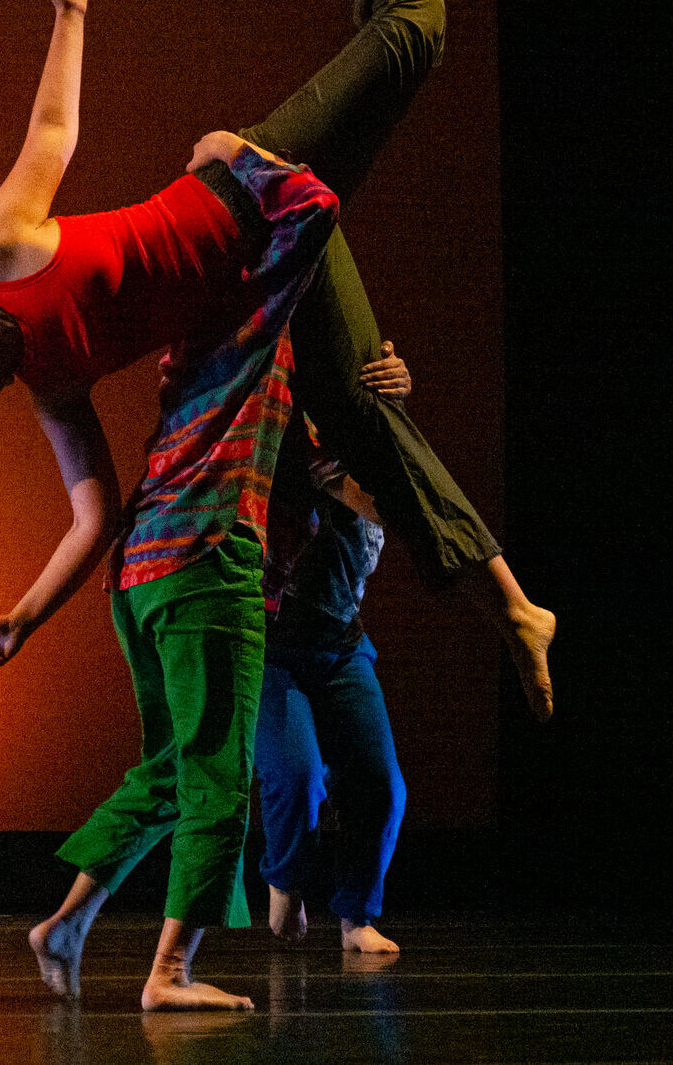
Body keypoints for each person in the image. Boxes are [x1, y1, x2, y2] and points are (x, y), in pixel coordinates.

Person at [0, 0, 555, 721]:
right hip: (268, 282)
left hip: (252, 183)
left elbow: (53, 132)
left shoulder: (1, 248)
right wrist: (23, 618)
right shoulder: (51, 388)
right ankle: (515, 606)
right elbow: (92, 517)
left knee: (418, 30)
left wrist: (70, 16)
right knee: (359, 416)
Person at [257, 347, 412, 957]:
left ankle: (356, 917)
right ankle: (287, 881)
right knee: (296, 777)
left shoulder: (368, 452)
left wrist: (398, 390)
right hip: (272, 650)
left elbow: (397, 505)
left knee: (380, 784)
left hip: (342, 646)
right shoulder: (285, 442)